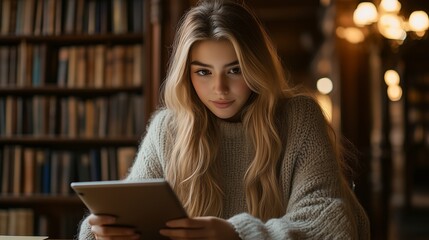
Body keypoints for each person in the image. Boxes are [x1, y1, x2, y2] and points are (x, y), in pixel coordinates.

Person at [78, 0, 370, 239]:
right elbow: (124, 211)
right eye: (203, 72)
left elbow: (332, 224)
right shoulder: (168, 128)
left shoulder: (298, 118)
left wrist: (236, 234)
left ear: (256, 68)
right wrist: (99, 230)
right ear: (186, 75)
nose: (219, 89)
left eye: (234, 70)